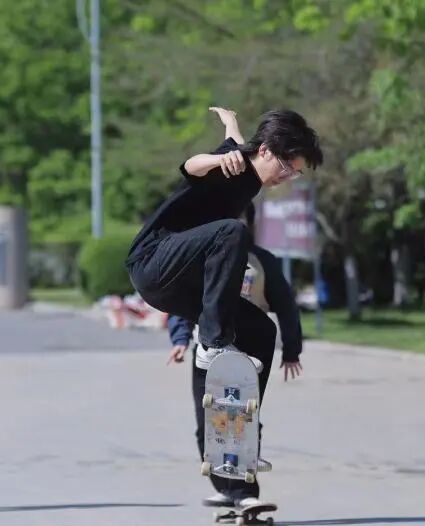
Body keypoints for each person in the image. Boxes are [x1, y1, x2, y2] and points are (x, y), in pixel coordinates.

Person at [127, 106, 320, 507]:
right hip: (153, 262)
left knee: (261, 330)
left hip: (183, 287)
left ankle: (242, 435)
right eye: (286, 168)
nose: (286, 178)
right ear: (266, 151)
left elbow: (237, 140)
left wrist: (231, 122)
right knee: (232, 233)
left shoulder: (247, 162)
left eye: (295, 174)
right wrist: (219, 159)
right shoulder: (234, 165)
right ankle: (213, 343)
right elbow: (191, 166)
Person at [166, 203, 303, 508]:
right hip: (208, 350)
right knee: (208, 419)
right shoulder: (201, 257)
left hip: (251, 350)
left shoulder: (262, 261)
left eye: (238, 220)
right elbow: (182, 301)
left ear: (248, 224)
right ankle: (224, 486)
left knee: (242, 417)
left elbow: (286, 305)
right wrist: (179, 338)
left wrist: (292, 349)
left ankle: (244, 491)